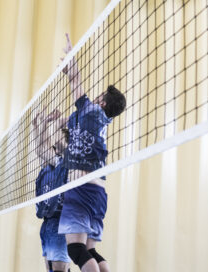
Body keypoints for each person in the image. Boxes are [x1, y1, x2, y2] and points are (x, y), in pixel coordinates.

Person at [57, 33, 126, 272]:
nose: (95, 97)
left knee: (75, 250)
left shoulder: (93, 112)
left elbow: (76, 84)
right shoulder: (96, 121)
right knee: (90, 250)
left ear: (103, 103)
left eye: (99, 97)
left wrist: (71, 58)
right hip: (97, 192)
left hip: (81, 188)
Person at [33, 109, 71, 272]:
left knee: (59, 269)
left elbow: (46, 148)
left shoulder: (64, 164)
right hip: (48, 222)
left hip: (60, 222)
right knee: (50, 268)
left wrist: (55, 123)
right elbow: (41, 148)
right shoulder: (48, 167)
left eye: (57, 146)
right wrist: (39, 125)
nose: (53, 148)